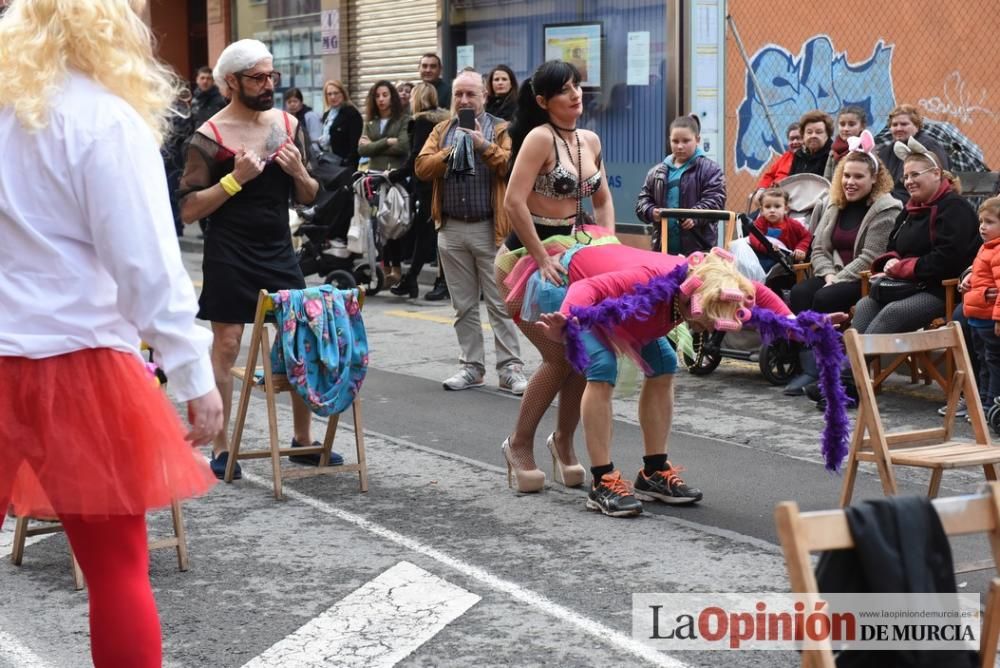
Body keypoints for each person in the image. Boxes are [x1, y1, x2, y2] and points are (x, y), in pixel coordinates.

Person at [0, 1, 223, 665]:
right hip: (81, 363)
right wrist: (194, 375)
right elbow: (147, 266)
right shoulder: (102, 118)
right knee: (116, 570)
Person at [534, 248, 792, 516]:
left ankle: (653, 472)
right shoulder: (647, 279)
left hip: (634, 308)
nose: (716, 327)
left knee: (664, 363)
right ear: (694, 298)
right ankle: (602, 481)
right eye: (712, 316)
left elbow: (758, 292)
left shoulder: (714, 279)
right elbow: (586, 286)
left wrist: (799, 324)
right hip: (578, 297)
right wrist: (566, 323)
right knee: (603, 365)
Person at [178, 39, 334, 477]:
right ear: (232, 82)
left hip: (279, 247)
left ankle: (303, 440)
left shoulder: (286, 124)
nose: (269, 85)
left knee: (299, 341)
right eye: (259, 78)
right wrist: (235, 180)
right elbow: (188, 209)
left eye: (273, 76)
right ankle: (222, 447)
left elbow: (310, 195)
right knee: (227, 345)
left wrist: (298, 172)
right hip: (229, 251)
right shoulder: (210, 136)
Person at [497, 59, 615, 492]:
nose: (575, 94)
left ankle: (564, 442)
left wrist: (607, 242)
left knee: (584, 355)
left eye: (578, 85)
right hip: (524, 263)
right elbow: (513, 202)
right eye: (565, 89)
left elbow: (602, 199)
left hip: (576, 257)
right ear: (544, 101)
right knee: (560, 355)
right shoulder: (538, 138)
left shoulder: (589, 139)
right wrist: (540, 257)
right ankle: (519, 444)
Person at [415, 70, 527, 394]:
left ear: (484, 96)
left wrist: (482, 145)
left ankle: (510, 369)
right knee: (463, 305)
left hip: (491, 229)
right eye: (459, 95)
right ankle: (471, 367)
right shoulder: (442, 129)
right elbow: (421, 167)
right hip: (450, 227)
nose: (464, 100)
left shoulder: (502, 129)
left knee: (500, 304)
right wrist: (452, 151)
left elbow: (511, 166)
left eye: (471, 94)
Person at [784, 130, 901, 395]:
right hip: (833, 275)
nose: (850, 182)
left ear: (874, 179)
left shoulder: (886, 208)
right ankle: (811, 368)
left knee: (825, 299)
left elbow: (871, 257)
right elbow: (818, 248)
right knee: (801, 292)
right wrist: (827, 275)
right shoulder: (833, 204)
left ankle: (833, 371)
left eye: (859, 176)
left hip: (864, 280)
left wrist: (837, 280)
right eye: (846, 175)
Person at [852, 137, 980, 335]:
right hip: (904, 285)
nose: (909, 182)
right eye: (906, 177)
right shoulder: (910, 209)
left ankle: (850, 366)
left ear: (936, 174)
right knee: (864, 306)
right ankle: (852, 364)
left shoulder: (955, 208)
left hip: (941, 289)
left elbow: (949, 259)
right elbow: (892, 245)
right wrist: (891, 261)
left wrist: (904, 267)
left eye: (915, 175)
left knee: (893, 313)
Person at [389, 82, 449, 298]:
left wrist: (395, 174)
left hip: (426, 185)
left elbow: (417, 156)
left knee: (426, 235)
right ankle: (416, 279)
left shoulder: (421, 121)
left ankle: (415, 279)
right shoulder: (444, 120)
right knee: (435, 233)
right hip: (442, 181)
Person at [636, 113, 727, 254]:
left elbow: (716, 199)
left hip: (698, 249)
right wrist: (650, 211)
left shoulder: (710, 169)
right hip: (663, 248)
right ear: (669, 140)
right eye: (675, 141)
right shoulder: (656, 172)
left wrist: (695, 216)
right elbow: (643, 200)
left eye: (686, 141)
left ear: (697, 140)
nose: (680, 146)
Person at [359, 80, 410, 286]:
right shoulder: (370, 122)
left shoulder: (403, 119)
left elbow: (404, 146)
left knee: (393, 222)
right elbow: (362, 150)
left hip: (393, 178)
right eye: (377, 95)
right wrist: (387, 141)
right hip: (374, 178)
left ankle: (396, 268)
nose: (381, 99)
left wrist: (374, 145)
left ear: (392, 97)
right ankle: (384, 268)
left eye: (385, 95)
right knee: (377, 225)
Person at [960, 197, 1000, 414]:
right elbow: (983, 276)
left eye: (990, 222)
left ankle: (993, 406)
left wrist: (998, 319)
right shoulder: (987, 248)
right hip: (977, 317)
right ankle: (984, 403)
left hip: (988, 319)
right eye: (981, 221)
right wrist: (970, 278)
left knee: (993, 363)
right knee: (984, 361)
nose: (983, 227)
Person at [877, 104, 950, 204]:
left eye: (904, 124)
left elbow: (940, 178)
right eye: (894, 125)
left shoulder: (928, 145)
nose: (898, 128)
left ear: (916, 126)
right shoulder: (887, 151)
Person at [748, 187, 812, 273]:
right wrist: (764, 245)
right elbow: (753, 235)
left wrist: (801, 248)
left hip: (785, 261)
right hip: (764, 254)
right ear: (762, 210)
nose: (772, 210)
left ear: (786, 209)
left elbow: (807, 236)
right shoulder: (761, 222)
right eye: (767, 207)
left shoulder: (793, 224)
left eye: (777, 206)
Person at [318, 79, 363, 170]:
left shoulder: (351, 113)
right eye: (329, 94)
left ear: (342, 94)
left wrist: (347, 163)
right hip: (328, 163)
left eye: (336, 93)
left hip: (345, 165)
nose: (333, 97)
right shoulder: (327, 115)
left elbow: (355, 145)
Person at [823, 106, 867, 180]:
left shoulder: (865, 149)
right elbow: (827, 179)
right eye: (842, 124)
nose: (846, 129)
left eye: (851, 124)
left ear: (862, 126)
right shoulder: (834, 151)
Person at [757, 122, 803, 189]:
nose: (795, 142)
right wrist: (762, 188)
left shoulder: (808, 157)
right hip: (774, 192)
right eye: (792, 139)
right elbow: (769, 176)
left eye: (798, 138)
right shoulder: (785, 156)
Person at [788, 110, 833, 178]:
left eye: (819, 132)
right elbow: (791, 182)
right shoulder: (799, 155)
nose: (813, 135)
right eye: (809, 132)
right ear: (803, 135)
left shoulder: (833, 156)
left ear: (828, 134)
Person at [283, 86, 322, 157]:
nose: (292, 104)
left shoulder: (310, 116)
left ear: (301, 102)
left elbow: (316, 140)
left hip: (311, 155)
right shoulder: (284, 118)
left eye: (295, 101)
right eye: (289, 102)